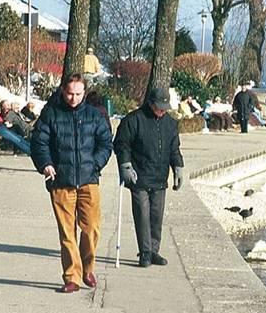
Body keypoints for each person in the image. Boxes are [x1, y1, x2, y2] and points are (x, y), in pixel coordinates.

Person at [31, 73, 113, 293]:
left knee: (91, 228)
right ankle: (72, 277)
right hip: (61, 181)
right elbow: (39, 142)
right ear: (62, 91)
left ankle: (88, 268)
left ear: (84, 93)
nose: (73, 98)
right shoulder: (51, 113)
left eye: (78, 94)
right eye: (69, 93)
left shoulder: (95, 115)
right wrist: (46, 164)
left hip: (89, 180)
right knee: (67, 232)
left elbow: (106, 143)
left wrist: (95, 164)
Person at [114, 87, 184, 268]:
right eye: (159, 107)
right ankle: (145, 252)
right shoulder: (134, 120)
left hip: (160, 177)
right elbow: (122, 144)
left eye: (164, 108)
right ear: (150, 103)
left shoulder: (170, 123)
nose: (162, 111)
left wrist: (178, 166)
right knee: (142, 215)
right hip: (139, 176)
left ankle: (154, 251)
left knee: (156, 216)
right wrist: (125, 165)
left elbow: (174, 149)